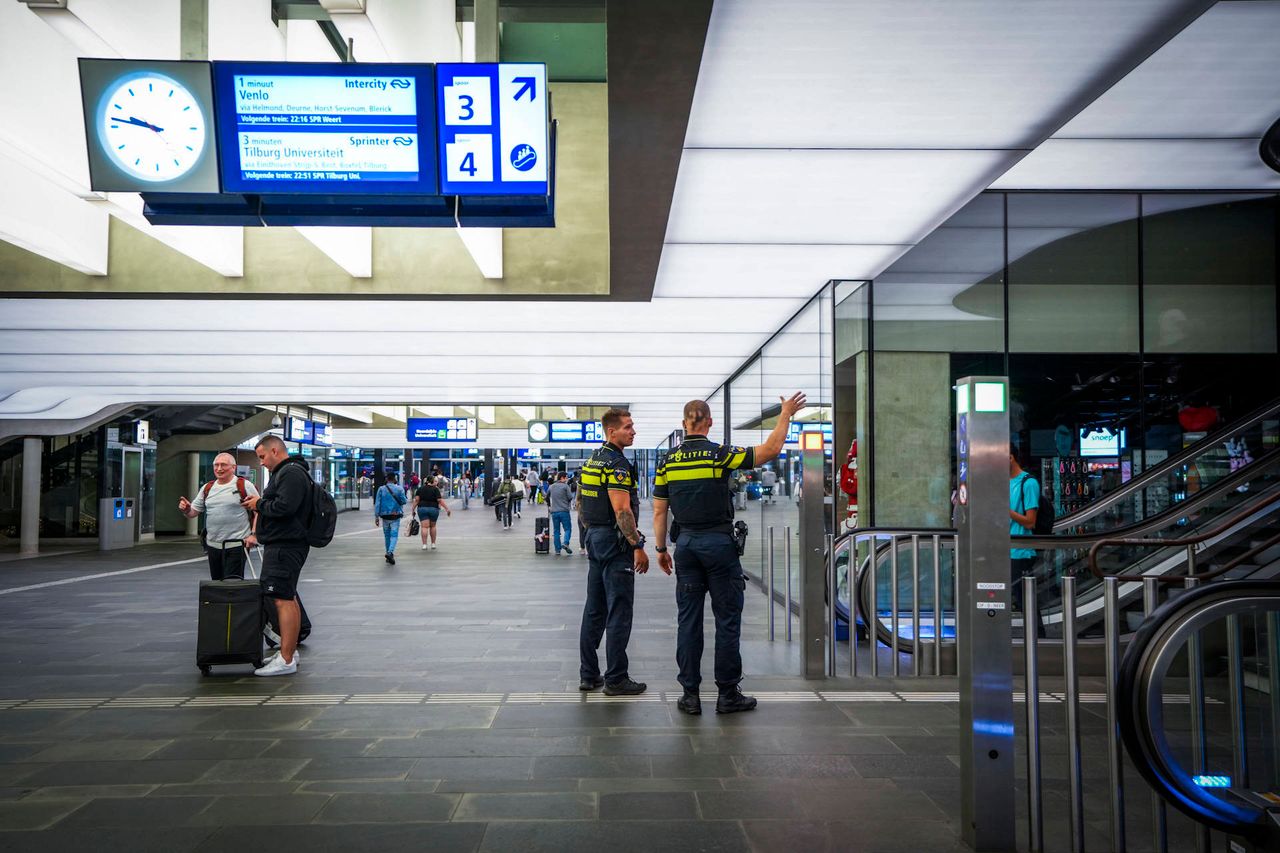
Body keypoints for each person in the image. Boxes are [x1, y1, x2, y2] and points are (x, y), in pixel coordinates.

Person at [653, 391, 806, 715]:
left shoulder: (667, 461)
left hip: (687, 548)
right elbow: (770, 451)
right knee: (727, 619)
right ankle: (727, 694)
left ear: (683, 425)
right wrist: (785, 414)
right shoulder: (719, 454)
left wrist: (661, 549)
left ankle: (690, 696)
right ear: (708, 423)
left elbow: (659, 510)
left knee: (688, 621)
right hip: (719, 547)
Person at [577, 407, 651, 696]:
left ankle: (589, 674)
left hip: (594, 536)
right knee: (619, 609)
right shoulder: (617, 464)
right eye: (628, 427)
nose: (633, 431)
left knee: (594, 608)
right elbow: (622, 510)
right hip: (614, 540)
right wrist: (637, 545)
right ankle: (617, 678)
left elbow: (581, 503)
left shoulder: (592, 460)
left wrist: (591, 533)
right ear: (612, 431)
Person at [240, 435, 311, 677]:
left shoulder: (290, 473)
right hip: (285, 544)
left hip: (285, 546)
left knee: (282, 599)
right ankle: (289, 651)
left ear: (275, 450)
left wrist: (259, 504)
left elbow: (284, 507)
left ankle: (287, 658)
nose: (261, 462)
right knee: (287, 596)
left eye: (262, 457)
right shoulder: (290, 472)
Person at [179, 452, 260, 581]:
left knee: (232, 585)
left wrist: (253, 535)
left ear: (233, 467)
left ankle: (233, 602)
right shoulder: (208, 488)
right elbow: (193, 513)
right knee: (217, 584)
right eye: (216, 465)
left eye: (223, 465)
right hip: (213, 546)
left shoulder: (244, 485)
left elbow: (259, 511)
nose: (219, 468)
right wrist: (187, 509)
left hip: (237, 545)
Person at [1009, 444, 1044, 639]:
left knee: (1024, 599)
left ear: (1010, 457)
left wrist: (1006, 511)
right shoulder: (1003, 482)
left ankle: (1038, 637)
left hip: (1022, 552)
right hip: (1006, 549)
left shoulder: (1028, 483)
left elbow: (1031, 521)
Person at [373, 473, 408, 564]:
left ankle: (388, 553)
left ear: (387, 479)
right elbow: (404, 501)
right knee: (394, 535)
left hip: (385, 516)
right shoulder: (399, 489)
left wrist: (377, 516)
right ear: (395, 479)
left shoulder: (381, 489)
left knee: (387, 535)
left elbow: (377, 504)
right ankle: (390, 552)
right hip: (395, 515)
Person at [411, 476, 452, 550]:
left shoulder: (420, 489)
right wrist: (447, 509)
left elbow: (417, 500)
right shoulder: (435, 489)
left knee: (424, 527)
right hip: (433, 509)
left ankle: (424, 545)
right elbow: (439, 500)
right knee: (433, 526)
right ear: (432, 481)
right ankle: (433, 544)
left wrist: (413, 510)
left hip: (422, 509)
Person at [547, 471, 574, 555]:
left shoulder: (551, 486)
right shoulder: (565, 486)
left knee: (556, 531)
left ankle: (557, 550)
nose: (567, 479)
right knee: (567, 529)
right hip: (564, 511)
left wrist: (549, 506)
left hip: (554, 512)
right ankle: (565, 543)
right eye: (566, 477)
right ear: (562, 478)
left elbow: (547, 497)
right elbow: (570, 497)